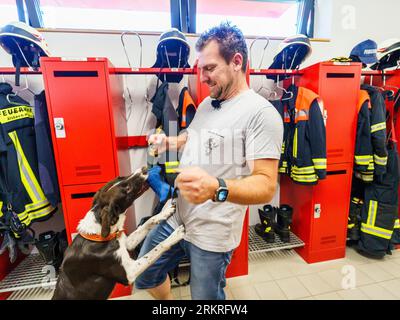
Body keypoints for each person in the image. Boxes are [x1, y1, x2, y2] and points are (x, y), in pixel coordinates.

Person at [135, 22, 283, 300]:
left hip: (213, 233)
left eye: (210, 68)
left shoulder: (261, 114)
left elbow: (265, 185)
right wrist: (170, 142)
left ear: (236, 61)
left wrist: (216, 187)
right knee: (144, 274)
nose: (202, 77)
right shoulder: (207, 103)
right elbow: (195, 135)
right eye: (200, 68)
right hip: (176, 214)